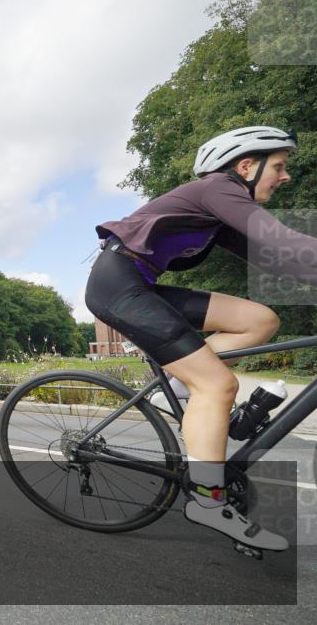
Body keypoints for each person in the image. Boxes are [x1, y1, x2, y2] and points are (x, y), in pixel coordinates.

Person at [85, 126, 312, 552]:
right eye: (279, 166)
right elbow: (284, 240)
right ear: (246, 166)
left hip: (142, 286)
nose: (285, 176)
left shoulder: (220, 211)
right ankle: (208, 502)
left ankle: (173, 389)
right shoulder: (218, 188)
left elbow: (282, 260)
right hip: (117, 288)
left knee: (260, 320)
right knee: (217, 384)